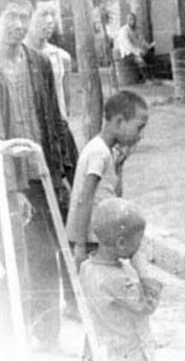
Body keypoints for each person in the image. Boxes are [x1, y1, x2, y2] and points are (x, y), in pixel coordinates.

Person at [0, 0, 75, 350]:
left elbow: (54, 123)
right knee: (12, 263)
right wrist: (11, 188)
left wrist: (59, 174)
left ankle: (47, 338)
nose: (18, 25)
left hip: (39, 175)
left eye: (23, 17)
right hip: (5, 181)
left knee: (46, 257)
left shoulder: (40, 63)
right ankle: (13, 339)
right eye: (10, 17)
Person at [66, 90, 148, 268]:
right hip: (89, 238)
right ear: (119, 122)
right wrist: (80, 246)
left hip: (98, 234)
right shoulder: (99, 152)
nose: (141, 135)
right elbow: (84, 198)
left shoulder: (107, 152)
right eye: (139, 127)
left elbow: (115, 196)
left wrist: (120, 165)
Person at [80, 197, 162, 361]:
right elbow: (147, 305)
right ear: (121, 243)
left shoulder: (86, 267)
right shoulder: (117, 279)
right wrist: (143, 270)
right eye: (139, 239)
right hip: (127, 353)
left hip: (103, 350)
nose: (141, 245)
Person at [115, 12, 155, 83]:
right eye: (130, 19)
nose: (133, 21)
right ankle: (147, 79)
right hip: (127, 53)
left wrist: (149, 46)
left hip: (137, 51)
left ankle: (150, 76)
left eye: (134, 19)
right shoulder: (124, 31)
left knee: (150, 55)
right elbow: (128, 45)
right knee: (140, 60)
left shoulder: (137, 29)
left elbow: (142, 41)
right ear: (127, 20)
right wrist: (137, 52)